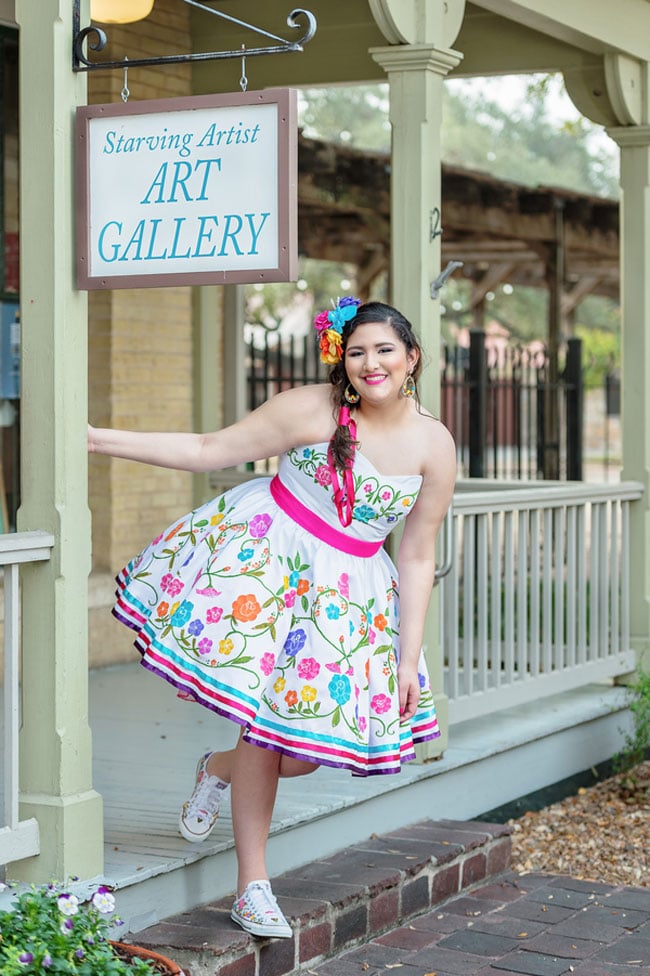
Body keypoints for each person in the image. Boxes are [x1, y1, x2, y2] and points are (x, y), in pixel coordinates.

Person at [88, 298, 456, 940]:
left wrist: (406, 656)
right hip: (271, 570)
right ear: (344, 355)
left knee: (304, 751)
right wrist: (93, 437)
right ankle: (253, 887)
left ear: (411, 357)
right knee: (263, 728)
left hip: (350, 599)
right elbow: (208, 448)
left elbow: (419, 553)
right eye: (358, 350)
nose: (371, 363)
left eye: (385, 350)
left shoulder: (434, 444)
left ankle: (217, 770)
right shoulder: (310, 407)